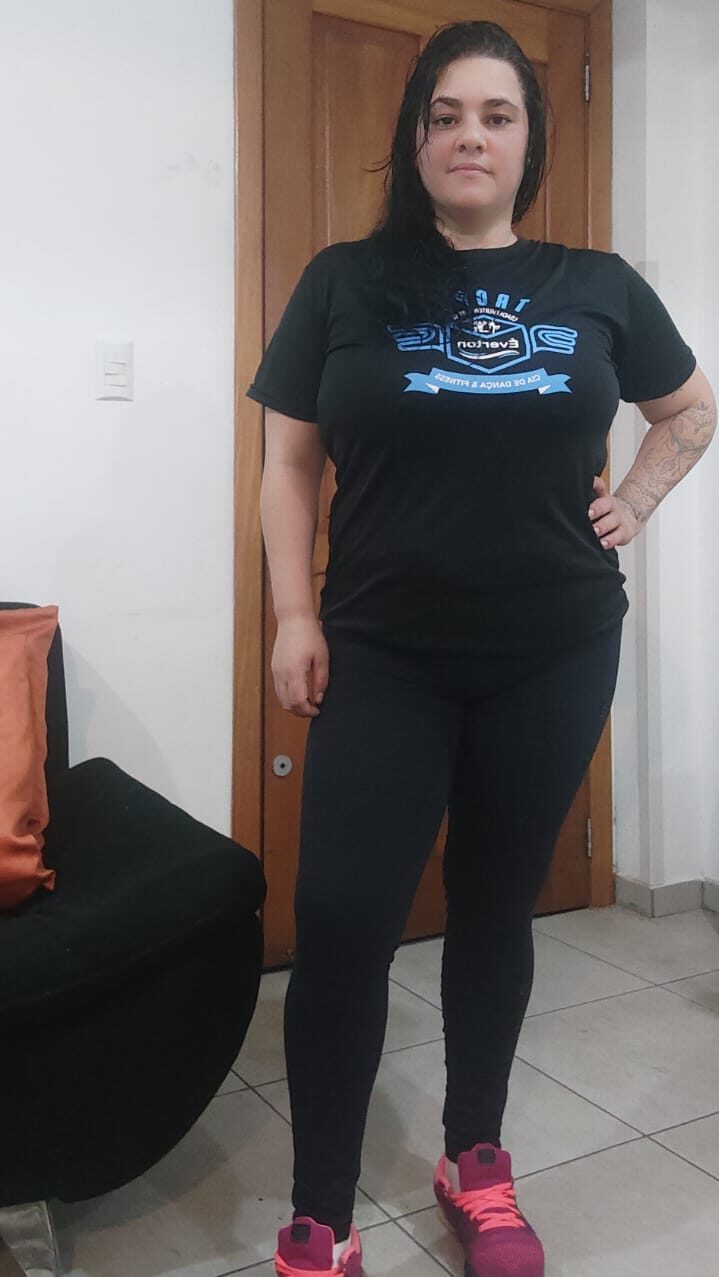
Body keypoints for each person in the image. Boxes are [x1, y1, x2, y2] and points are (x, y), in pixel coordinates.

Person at [248, 20, 716, 1277]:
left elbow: (689, 407)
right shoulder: (345, 280)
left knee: (496, 905)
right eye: (445, 114)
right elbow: (288, 462)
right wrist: (293, 613)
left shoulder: (596, 283)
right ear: (415, 135)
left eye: (496, 115)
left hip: (552, 647)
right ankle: (321, 1211)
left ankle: (473, 1157)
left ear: (527, 139)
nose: (469, 135)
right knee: (341, 919)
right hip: (381, 653)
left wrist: (638, 497)